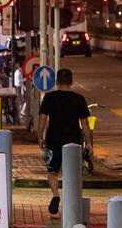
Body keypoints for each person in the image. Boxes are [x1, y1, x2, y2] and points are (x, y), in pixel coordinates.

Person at [35, 68, 92, 216]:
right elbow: (85, 123)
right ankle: (71, 203)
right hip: (73, 143)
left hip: (53, 141)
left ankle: (56, 195)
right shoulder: (79, 99)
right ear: (71, 82)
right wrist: (89, 143)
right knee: (71, 173)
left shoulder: (49, 97)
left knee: (53, 172)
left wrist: (40, 136)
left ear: (57, 82)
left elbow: (42, 118)